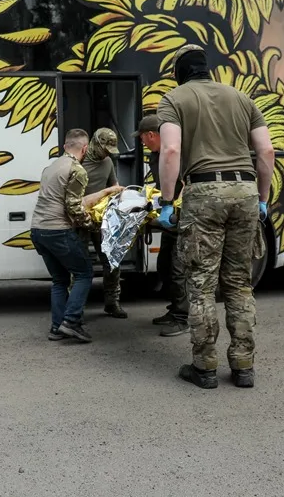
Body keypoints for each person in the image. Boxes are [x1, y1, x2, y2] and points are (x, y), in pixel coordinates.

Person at [156, 44, 275, 389]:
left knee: (202, 284)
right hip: (246, 192)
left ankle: (204, 367)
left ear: (179, 71)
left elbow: (172, 149)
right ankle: (243, 366)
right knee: (239, 282)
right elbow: (266, 150)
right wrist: (263, 198)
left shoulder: (174, 99)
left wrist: (167, 200)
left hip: (204, 193)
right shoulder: (242, 98)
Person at [31, 128, 121, 343]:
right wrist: (90, 224)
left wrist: (106, 194)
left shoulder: (51, 166)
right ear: (86, 147)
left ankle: (56, 327)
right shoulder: (77, 169)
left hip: (38, 229)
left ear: (65, 146)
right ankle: (71, 321)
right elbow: (74, 206)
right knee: (84, 273)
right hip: (59, 229)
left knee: (60, 279)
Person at [134, 114, 188, 338]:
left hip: (182, 216)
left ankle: (182, 318)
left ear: (151, 135)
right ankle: (174, 309)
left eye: (142, 138)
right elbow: (160, 184)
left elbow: (187, 182)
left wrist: (175, 207)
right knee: (164, 264)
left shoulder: (177, 151)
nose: (141, 143)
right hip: (169, 215)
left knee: (177, 268)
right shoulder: (154, 157)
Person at [81, 127, 127, 319]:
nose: (107, 154)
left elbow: (113, 187)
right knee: (80, 264)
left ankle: (112, 302)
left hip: (102, 218)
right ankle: (77, 306)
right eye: (105, 149)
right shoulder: (78, 162)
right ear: (95, 144)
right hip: (80, 219)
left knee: (111, 260)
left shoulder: (107, 162)